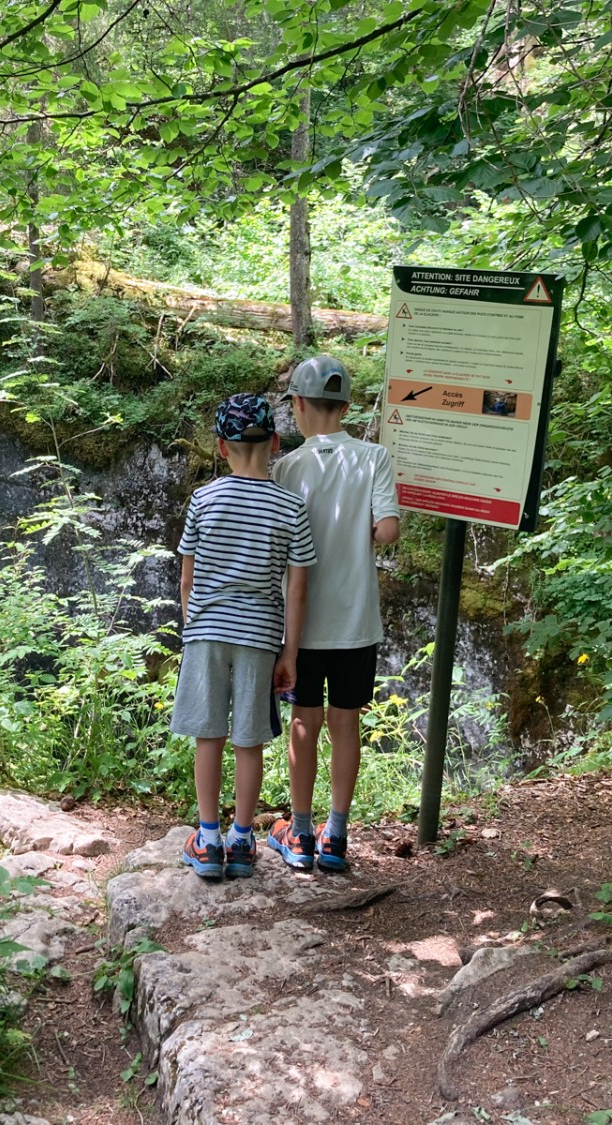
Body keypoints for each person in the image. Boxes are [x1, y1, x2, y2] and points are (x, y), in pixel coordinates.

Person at [172, 393, 316, 880]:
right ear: (275, 443)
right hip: (259, 635)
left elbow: (187, 579)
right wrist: (289, 653)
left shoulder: (203, 499)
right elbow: (297, 589)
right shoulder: (290, 507)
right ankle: (241, 837)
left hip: (207, 632)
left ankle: (207, 838)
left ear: (220, 448)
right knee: (248, 739)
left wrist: (192, 628)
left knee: (208, 734)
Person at [266, 355, 400, 872]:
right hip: (356, 622)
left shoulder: (287, 468)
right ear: (345, 406)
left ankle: (299, 834)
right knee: (347, 724)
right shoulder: (374, 458)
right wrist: (360, 536)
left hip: (301, 625)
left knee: (305, 722)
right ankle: (337, 834)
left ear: (298, 406)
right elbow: (387, 530)